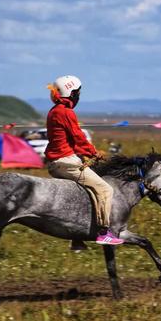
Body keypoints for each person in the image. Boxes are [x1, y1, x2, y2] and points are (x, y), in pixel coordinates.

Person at [45, 75, 123, 248]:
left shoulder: (54, 111)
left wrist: (86, 154)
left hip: (57, 161)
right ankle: (104, 233)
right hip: (65, 162)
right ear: (71, 93)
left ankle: (77, 238)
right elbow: (79, 137)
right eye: (78, 93)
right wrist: (95, 152)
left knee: (85, 193)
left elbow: (71, 142)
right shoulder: (66, 112)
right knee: (105, 189)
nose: (79, 96)